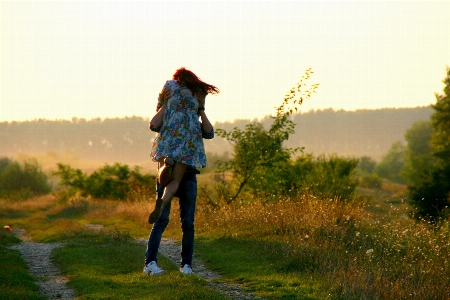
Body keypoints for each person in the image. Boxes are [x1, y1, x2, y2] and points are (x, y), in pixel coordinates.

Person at [144, 67, 219, 275]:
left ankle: (150, 263)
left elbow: (154, 124)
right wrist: (201, 109)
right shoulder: (197, 93)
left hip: (168, 144)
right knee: (188, 223)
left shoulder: (168, 88)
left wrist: (166, 104)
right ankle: (186, 266)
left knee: (162, 219)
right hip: (187, 149)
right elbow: (209, 133)